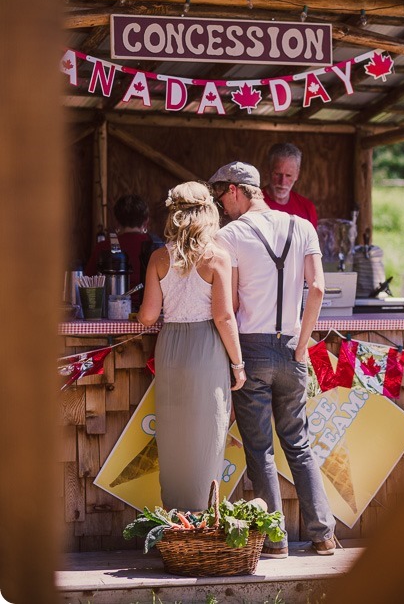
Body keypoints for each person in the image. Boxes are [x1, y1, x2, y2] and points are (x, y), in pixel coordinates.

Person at [209, 161, 335, 558]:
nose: (220, 204)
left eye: (220, 195)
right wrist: (302, 343)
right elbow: (317, 287)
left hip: (251, 347)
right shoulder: (303, 227)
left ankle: (275, 540)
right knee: (298, 444)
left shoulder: (229, 235)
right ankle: (323, 536)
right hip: (292, 347)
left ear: (235, 190)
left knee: (260, 448)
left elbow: (227, 305)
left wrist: (236, 360)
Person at [137, 181, 246, 511]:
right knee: (207, 432)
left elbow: (147, 317)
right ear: (208, 214)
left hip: (170, 346)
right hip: (206, 347)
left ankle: (174, 517)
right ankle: (201, 516)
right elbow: (224, 317)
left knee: (173, 433)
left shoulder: (158, 257)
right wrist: (238, 365)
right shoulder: (217, 258)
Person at [85, 194, 163, 292]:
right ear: (146, 221)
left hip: (112, 305)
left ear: (116, 221)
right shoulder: (157, 245)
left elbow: (87, 283)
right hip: (150, 305)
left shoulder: (103, 247)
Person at [263, 142, 318, 227]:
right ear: (268, 170)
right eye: (277, 174)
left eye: (288, 175)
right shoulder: (251, 204)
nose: (282, 182)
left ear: (297, 175)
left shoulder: (307, 208)